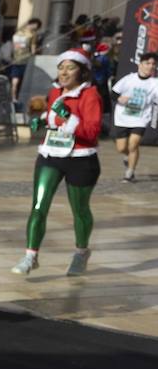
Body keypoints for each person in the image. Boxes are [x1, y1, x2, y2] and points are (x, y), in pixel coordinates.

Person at [12, 48, 103, 277]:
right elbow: (53, 118)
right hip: (51, 154)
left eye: (70, 68)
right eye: (61, 67)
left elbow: (92, 132)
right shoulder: (54, 92)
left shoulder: (90, 95)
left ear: (82, 72)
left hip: (81, 159)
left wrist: (69, 117)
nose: (64, 72)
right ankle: (30, 256)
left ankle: (81, 253)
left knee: (80, 210)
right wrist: (41, 122)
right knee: (38, 206)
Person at [112, 50, 158, 183]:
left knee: (134, 145)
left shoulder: (155, 83)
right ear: (140, 65)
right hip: (122, 117)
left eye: (153, 64)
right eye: (147, 63)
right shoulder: (129, 79)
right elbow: (113, 93)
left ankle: (129, 173)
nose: (150, 66)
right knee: (121, 148)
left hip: (141, 118)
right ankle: (127, 156)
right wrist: (120, 98)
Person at [9, 17, 42, 107]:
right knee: (24, 82)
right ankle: (21, 100)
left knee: (14, 82)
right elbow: (33, 50)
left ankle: (13, 99)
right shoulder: (32, 35)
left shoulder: (17, 32)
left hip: (15, 61)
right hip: (26, 62)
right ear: (35, 25)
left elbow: (13, 48)